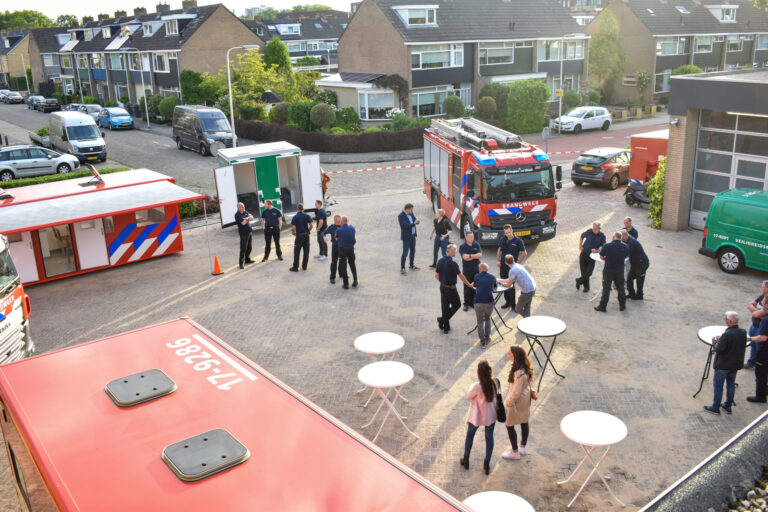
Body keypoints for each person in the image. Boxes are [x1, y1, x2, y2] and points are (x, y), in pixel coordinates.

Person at [704, 311, 747, 415]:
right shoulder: (743, 332)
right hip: (735, 365)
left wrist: (715, 342)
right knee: (731, 384)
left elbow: (719, 350)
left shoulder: (727, 334)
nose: (725, 321)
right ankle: (728, 405)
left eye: (726, 319)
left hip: (723, 365)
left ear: (730, 321)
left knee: (719, 386)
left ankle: (715, 407)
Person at [460, 360, 497, 475]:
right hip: (490, 415)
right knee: (489, 438)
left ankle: (466, 459)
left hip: (477, 416)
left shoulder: (477, 386)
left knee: (470, 435)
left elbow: (469, 396)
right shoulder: (495, 383)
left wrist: (472, 386)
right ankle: (487, 463)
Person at [502, 346, 533, 461]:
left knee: (509, 424)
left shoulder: (518, 373)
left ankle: (515, 452)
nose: (507, 354)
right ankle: (522, 447)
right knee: (524, 422)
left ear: (515, 356)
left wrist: (507, 403)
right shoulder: (525, 367)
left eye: (510, 353)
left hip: (517, 402)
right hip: (525, 399)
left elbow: (516, 392)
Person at [435, 244, 473, 334]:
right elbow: (461, 276)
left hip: (442, 287)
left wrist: (443, 282)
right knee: (457, 305)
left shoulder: (440, 260)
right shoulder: (453, 263)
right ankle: (442, 320)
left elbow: (436, 275)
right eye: (455, 251)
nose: (456, 252)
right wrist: (469, 284)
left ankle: (445, 328)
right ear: (451, 252)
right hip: (451, 289)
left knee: (445, 306)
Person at [594, 231, 629, 312]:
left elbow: (601, 256)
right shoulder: (626, 246)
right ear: (620, 238)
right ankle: (622, 306)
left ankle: (603, 306)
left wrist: (607, 259)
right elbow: (627, 256)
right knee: (621, 288)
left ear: (613, 237)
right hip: (619, 271)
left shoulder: (607, 246)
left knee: (606, 288)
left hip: (608, 270)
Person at [496, 225, 527, 309]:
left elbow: (524, 253)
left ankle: (513, 304)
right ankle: (507, 302)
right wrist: (498, 260)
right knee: (504, 284)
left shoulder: (518, 241)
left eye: (509, 232)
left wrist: (517, 264)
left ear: (512, 230)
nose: (508, 234)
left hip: (511, 267)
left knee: (511, 285)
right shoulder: (503, 238)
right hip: (503, 265)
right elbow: (500, 250)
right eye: (506, 233)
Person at [747, 295, 768, 403]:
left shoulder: (766, 320)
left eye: (764, 304)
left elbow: (762, 337)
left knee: (760, 373)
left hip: (765, 352)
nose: (762, 306)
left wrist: (749, 338)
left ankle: (760, 396)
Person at [576, 222, 606, 293]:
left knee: (589, 273)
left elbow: (603, 246)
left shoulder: (602, 236)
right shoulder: (589, 231)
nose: (594, 230)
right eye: (593, 228)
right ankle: (586, 287)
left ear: (599, 228)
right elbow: (582, 236)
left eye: (596, 229)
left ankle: (579, 281)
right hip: (583, 254)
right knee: (584, 273)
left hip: (592, 257)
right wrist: (580, 245)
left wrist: (598, 250)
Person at [745, 280, 768, 370]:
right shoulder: (763, 296)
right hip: (754, 325)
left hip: (761, 328)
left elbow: (756, 314)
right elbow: (750, 305)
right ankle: (751, 362)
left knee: (759, 347)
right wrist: (757, 312)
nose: (761, 288)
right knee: (753, 345)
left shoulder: (767, 301)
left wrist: (755, 312)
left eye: (762, 286)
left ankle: (760, 365)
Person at [621, 229, 649, 300]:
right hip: (635, 264)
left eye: (621, 238)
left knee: (639, 281)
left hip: (641, 263)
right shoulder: (628, 238)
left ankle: (639, 295)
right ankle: (631, 294)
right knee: (629, 279)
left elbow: (626, 255)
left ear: (624, 236)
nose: (620, 240)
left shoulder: (631, 243)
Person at [473, 262, 497, 346]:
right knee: (487, 319)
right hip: (489, 302)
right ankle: (487, 338)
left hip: (478, 302)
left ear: (479, 270)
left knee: (480, 322)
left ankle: (482, 342)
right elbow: (494, 288)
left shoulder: (476, 276)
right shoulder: (492, 277)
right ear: (487, 269)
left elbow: (475, 286)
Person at [459, 231, 482, 311]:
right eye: (470, 237)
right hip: (467, 270)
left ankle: (473, 302)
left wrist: (470, 256)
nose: (472, 238)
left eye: (472, 237)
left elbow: (480, 255)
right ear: (466, 237)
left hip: (476, 269)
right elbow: (465, 258)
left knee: (475, 286)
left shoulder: (476, 244)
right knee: (467, 286)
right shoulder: (462, 247)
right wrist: (474, 256)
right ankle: (466, 303)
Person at [289, 203, 313, 272]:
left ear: (297, 209)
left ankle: (295, 267)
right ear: (303, 209)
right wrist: (307, 231)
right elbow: (311, 226)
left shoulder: (295, 217)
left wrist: (294, 233)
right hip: (306, 236)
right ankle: (304, 266)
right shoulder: (307, 216)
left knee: (297, 252)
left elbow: (293, 227)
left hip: (299, 236)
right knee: (306, 251)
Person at [398, 203, 420, 275]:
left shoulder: (411, 213)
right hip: (406, 237)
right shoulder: (401, 216)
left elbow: (414, 218)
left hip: (413, 235)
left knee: (413, 251)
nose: (412, 211)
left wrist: (417, 220)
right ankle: (402, 268)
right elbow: (405, 226)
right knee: (405, 253)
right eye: (411, 209)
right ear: (407, 209)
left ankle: (411, 265)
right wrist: (414, 223)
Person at [337, 215, 358, 289]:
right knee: (352, 264)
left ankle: (346, 284)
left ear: (341, 222)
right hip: (351, 249)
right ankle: (355, 280)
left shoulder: (339, 230)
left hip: (342, 249)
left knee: (343, 266)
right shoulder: (352, 228)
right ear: (347, 221)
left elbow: (337, 238)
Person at [234, 202, 255, 269]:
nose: (244, 208)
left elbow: (252, 217)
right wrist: (248, 218)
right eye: (242, 207)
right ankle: (241, 263)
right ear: (238, 208)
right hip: (243, 233)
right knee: (243, 248)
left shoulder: (245, 212)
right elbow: (243, 223)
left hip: (249, 231)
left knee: (249, 247)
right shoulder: (237, 215)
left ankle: (247, 260)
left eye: (244, 206)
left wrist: (247, 218)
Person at [323, 215, 341, 284]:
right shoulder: (332, 227)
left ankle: (341, 273)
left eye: (335, 220)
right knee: (334, 262)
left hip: (342, 246)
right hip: (335, 246)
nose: (334, 221)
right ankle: (332, 277)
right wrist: (324, 237)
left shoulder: (343, 226)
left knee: (342, 261)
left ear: (339, 221)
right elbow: (323, 233)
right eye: (334, 220)